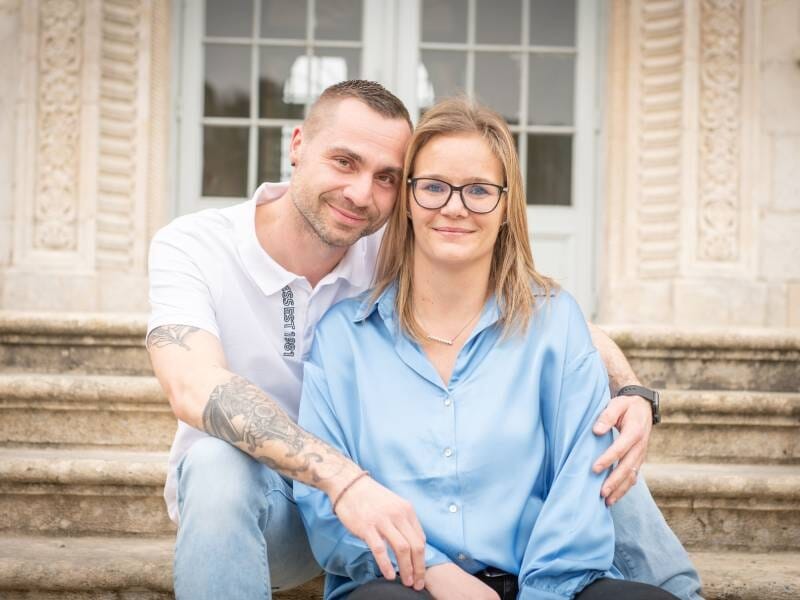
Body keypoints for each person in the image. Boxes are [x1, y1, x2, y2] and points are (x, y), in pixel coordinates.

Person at [146, 80, 701, 599]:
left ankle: (675, 587)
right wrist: (348, 483)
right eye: (343, 161)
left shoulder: (391, 239)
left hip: (382, 506)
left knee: (602, 431)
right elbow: (194, 385)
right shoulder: (197, 246)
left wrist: (632, 392)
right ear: (297, 145)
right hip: (281, 509)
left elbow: (545, 327)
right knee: (217, 464)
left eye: (386, 176)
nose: (361, 193)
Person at [294, 97, 686, 600]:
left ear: (505, 207)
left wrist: (540, 595)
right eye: (434, 187)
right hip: (402, 584)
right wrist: (434, 571)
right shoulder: (344, 338)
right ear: (408, 200)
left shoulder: (554, 324)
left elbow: (581, 487)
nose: (454, 207)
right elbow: (326, 503)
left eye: (478, 190)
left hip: (548, 583)